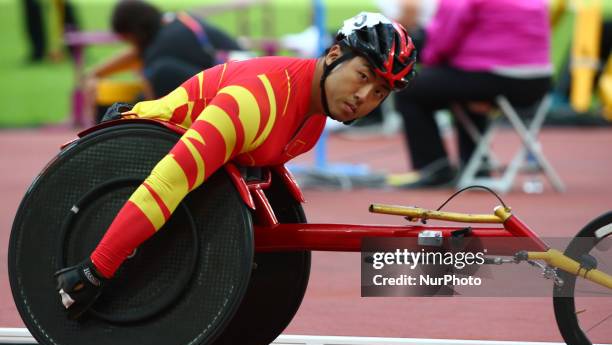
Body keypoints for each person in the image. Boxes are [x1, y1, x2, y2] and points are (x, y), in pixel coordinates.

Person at [54, 12, 418, 319]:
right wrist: (95, 270)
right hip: (128, 157)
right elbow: (166, 185)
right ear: (335, 53)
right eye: (364, 76)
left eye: (379, 93)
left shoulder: (313, 121)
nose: (363, 97)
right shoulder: (253, 104)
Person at [386, 0, 552, 188]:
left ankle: (434, 169)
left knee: (410, 88)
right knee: (463, 87)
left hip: (495, 78)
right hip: (538, 82)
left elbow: (443, 41)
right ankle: (476, 164)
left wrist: (426, 59)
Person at [85, 0, 243, 105]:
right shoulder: (172, 22)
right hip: (246, 81)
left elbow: (149, 92)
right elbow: (136, 55)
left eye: (127, 39)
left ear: (135, 32)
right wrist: (96, 73)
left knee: (159, 74)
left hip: (239, 91)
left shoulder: (161, 46)